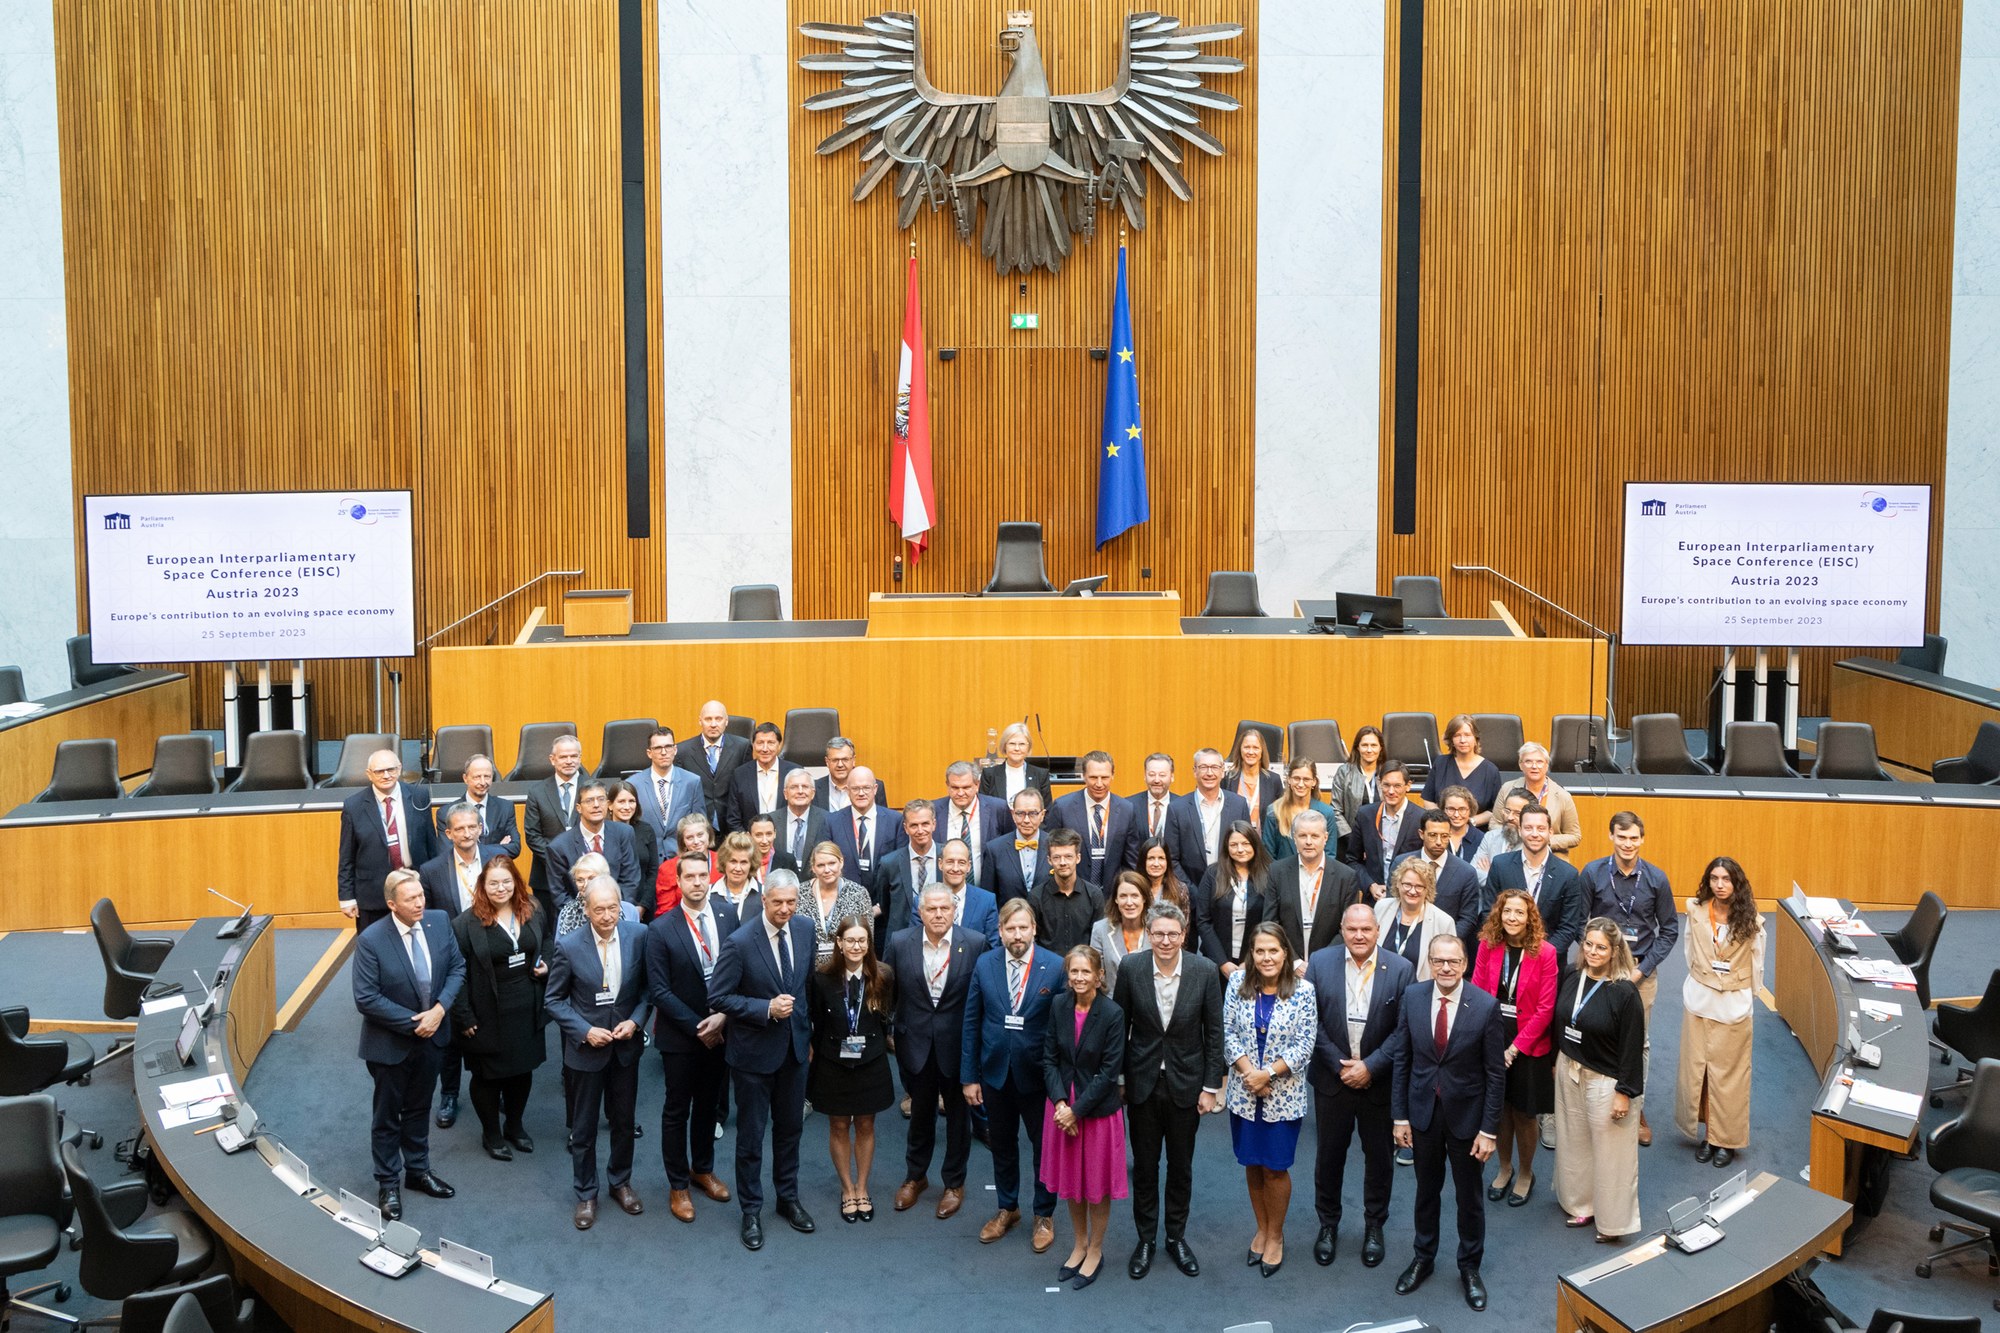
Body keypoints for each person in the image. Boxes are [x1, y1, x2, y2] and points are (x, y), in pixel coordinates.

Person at [1390, 933, 1505, 1312]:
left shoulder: (1486, 1006)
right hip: (1422, 1114)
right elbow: (1403, 1061)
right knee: (1425, 1191)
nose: (1445, 968)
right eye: (1438, 961)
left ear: (1465, 964)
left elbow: (1494, 1074)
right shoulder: (1413, 997)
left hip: (1468, 1121)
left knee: (1469, 1197)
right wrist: (1400, 1116)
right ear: (1429, 962)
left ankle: (1469, 1267)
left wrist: (1489, 1130)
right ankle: (1423, 1257)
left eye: (1453, 962)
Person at [1114, 900, 1225, 1280]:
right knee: (1144, 1168)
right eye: (1158, 933)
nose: (1165, 940)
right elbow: (1119, 1028)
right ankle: (1145, 1239)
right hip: (1141, 1085)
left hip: (1187, 1086)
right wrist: (1121, 1081)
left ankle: (1175, 1237)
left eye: (1172, 934)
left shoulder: (1205, 970)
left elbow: (1214, 1033)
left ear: (1184, 935)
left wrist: (1211, 1087)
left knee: (1180, 1167)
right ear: (1148, 933)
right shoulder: (1131, 968)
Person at [709, 870, 817, 1250]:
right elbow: (718, 997)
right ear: (764, 900)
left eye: (791, 902)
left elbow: (804, 988)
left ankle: (787, 1199)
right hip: (753, 1056)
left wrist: (807, 1034)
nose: (786, 909)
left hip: (794, 1052)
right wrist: (764, 1008)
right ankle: (751, 1210)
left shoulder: (805, 930)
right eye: (778, 903)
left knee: (790, 1131)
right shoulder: (740, 942)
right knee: (751, 1138)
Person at [1303, 903, 1414, 1270]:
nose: (1359, 936)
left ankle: (1373, 1226)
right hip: (1332, 1081)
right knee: (1329, 1158)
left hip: (1378, 1083)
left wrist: (1371, 1066)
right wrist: (1341, 1066)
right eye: (1352, 930)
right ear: (1342, 929)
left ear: (1377, 930)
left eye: (1366, 929)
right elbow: (1311, 1021)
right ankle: (1328, 1225)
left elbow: (1404, 1030)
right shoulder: (1319, 962)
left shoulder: (1400, 969)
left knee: (1379, 1160)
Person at [352, 868, 464, 1220]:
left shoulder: (439, 921)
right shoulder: (371, 939)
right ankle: (388, 1183)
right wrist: (418, 1023)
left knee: (419, 1109)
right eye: (411, 899)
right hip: (391, 1044)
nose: (420, 903)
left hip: (433, 1039)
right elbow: (366, 998)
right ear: (391, 904)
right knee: (388, 1116)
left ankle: (418, 1171)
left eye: (421, 896)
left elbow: (458, 969)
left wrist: (440, 1010)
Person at [545, 879, 652, 1230]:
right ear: (586, 910)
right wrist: (584, 1030)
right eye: (599, 909)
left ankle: (620, 1183)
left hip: (625, 1049)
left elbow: (647, 990)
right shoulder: (568, 946)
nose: (607, 916)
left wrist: (636, 1022)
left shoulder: (639, 937)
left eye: (613, 908)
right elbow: (554, 1000)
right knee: (584, 1128)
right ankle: (586, 1193)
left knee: (623, 1122)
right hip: (585, 1052)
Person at [962, 898, 1065, 1252]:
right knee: (1002, 1146)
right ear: (1000, 932)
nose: (1017, 935)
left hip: (1039, 1078)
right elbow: (972, 1021)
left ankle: (1043, 1214)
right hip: (994, 1074)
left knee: (1043, 1148)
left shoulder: (1055, 967)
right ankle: (1008, 1208)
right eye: (1010, 928)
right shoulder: (985, 964)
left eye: (1023, 927)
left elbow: (1063, 1029)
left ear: (1034, 929)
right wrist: (969, 1076)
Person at [642, 850, 738, 1222]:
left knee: (710, 1104)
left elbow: (738, 970)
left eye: (703, 875)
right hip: (682, 1037)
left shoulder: (728, 916)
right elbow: (659, 991)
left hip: (723, 1029)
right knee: (676, 1110)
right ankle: (678, 1184)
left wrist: (723, 1019)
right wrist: (703, 1026)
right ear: (678, 882)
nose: (697, 882)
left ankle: (703, 1169)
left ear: (711, 877)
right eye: (690, 877)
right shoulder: (661, 928)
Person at [886, 883, 989, 1219]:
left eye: (945, 908)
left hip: (958, 1047)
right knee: (920, 1114)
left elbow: (982, 1000)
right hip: (914, 1045)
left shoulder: (973, 943)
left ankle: (954, 1183)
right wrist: (891, 1029)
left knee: (959, 1119)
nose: (939, 914)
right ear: (920, 911)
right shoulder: (901, 942)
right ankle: (915, 1177)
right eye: (931, 909)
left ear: (954, 910)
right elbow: (887, 989)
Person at [1580, 810, 1678, 1146]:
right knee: (1600, 1034)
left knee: (1641, 1042)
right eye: (1621, 837)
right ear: (1611, 837)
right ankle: (1598, 1099)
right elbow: (1582, 921)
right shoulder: (1592, 873)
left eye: (1634, 838)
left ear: (1642, 839)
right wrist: (1595, 960)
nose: (1628, 844)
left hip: (1640, 971)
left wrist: (1642, 969)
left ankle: (1636, 1107)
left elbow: (1669, 930)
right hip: (1600, 970)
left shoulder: (1656, 879)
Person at [1225, 923, 1317, 1277]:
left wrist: (1269, 1075)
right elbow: (1228, 1031)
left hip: (1283, 1094)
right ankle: (1261, 1228)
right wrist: (1251, 1074)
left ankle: (1276, 1236)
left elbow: (1304, 1045)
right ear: (1252, 953)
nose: (1266, 958)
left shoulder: (1304, 991)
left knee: (1275, 1167)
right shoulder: (1237, 982)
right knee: (1252, 1162)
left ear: (1285, 953)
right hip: (1245, 1093)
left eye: (1273, 951)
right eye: (1260, 951)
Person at [448, 854, 548, 1161]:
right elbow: (457, 972)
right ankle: (491, 1133)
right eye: (493, 883)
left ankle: (515, 1126)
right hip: (485, 1011)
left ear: (516, 882)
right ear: (483, 886)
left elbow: (548, 945)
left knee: (522, 1072)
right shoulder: (464, 924)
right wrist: (464, 1016)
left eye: (506, 881)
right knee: (488, 1077)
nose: (501, 888)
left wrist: (548, 966)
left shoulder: (533, 909)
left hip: (527, 1007)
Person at [1553, 919, 1647, 1243]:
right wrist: (1559, 1059)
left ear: (1614, 951)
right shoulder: (1570, 975)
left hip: (1606, 1082)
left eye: (1601, 947)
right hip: (1569, 1070)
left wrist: (1625, 1092)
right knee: (1574, 1144)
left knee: (1612, 1155)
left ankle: (1613, 1223)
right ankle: (1582, 1204)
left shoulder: (1624, 992)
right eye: (1588, 945)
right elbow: (1560, 1019)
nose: (1593, 952)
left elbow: (1633, 1049)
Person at [1041, 943, 1128, 1291]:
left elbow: (1109, 1072)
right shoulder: (1059, 1005)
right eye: (1073, 971)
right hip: (1062, 1106)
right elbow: (1048, 1058)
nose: (1078, 977)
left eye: (1085, 972)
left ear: (1099, 975)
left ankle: (1095, 1249)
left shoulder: (1112, 1013)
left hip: (1095, 1112)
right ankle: (1078, 1244)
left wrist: (1076, 1111)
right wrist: (1061, 1103)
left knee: (1096, 1186)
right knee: (1072, 1184)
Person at [1674, 857, 1764, 1168]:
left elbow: (1757, 966)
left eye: (1726, 879)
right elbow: (1688, 951)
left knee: (1730, 1076)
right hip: (1700, 1000)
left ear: (1736, 883)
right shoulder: (1696, 910)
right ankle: (1708, 1133)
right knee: (1700, 1070)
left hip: (1733, 1006)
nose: (1720, 884)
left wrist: (1740, 991)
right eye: (1714, 878)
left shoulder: (1752, 921)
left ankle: (1725, 1140)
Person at [1469, 888, 1556, 1207]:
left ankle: (1526, 1172)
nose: (1512, 918)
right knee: (1499, 1110)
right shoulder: (1487, 946)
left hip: (1528, 1046)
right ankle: (1504, 1168)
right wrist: (1492, 1044)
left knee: (1524, 1113)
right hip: (1493, 1037)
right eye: (1507, 912)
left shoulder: (1545, 952)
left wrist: (1514, 1048)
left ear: (1529, 917)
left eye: (1519, 912)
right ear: (1499, 914)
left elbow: (1546, 1009)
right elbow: (1477, 993)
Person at [808, 915, 895, 1222]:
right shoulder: (822, 978)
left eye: (862, 940)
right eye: (850, 941)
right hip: (833, 1063)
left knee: (867, 1125)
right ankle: (847, 1189)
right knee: (839, 1126)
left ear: (869, 944)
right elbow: (815, 1021)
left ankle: (862, 1187)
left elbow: (886, 1019)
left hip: (871, 1062)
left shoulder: (883, 976)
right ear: (839, 943)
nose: (856, 946)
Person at [339, 750, 439, 933]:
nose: (386, 775)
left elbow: (431, 843)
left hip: (415, 888)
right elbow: (346, 856)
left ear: (399, 769)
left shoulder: (419, 796)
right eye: (379, 771)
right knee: (376, 950)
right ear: (369, 774)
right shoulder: (353, 806)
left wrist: (437, 885)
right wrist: (347, 897)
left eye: (391, 769)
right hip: (373, 894)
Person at [1484, 803, 1587, 969]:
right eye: (1528, 828)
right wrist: (1508, 950)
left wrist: (1539, 956)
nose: (1534, 834)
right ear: (1519, 831)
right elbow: (1488, 913)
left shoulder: (1568, 874)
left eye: (1540, 828)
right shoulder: (1500, 865)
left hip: (1548, 965)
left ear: (1550, 832)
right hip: (1505, 960)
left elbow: (1568, 927)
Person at [1268, 809, 1361, 964]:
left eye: (1315, 836)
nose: (1308, 842)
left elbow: (1347, 927)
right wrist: (1294, 962)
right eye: (1303, 835)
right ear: (1294, 838)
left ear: (1325, 838)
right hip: (1286, 965)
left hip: (1330, 964)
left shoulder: (1346, 876)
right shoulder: (1277, 871)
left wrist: (1321, 961)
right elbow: (1271, 923)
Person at [543, 780, 641, 916]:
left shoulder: (624, 833)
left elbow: (630, 880)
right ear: (578, 808)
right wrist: (589, 916)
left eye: (601, 799)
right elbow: (560, 895)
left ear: (607, 804)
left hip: (617, 914)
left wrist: (613, 911)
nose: (596, 805)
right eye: (589, 800)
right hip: (578, 920)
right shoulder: (559, 847)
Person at [1391, 808, 1484, 943]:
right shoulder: (1401, 863)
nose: (1439, 842)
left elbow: (1468, 918)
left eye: (1444, 836)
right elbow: (1393, 903)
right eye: (1433, 835)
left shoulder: (1466, 872)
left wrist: (1446, 943)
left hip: (1445, 947)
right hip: (1402, 940)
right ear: (1421, 834)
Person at [1049, 750, 1140, 886]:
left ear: (1112, 776)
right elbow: (1051, 851)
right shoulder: (1062, 807)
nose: (1099, 784)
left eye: (1104, 777)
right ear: (1083, 776)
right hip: (1072, 892)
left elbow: (1131, 860)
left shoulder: (1127, 809)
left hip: (1113, 895)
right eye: (1093, 777)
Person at [1196, 821, 1271, 979]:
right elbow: (1203, 920)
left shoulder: (1271, 873)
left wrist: (1250, 960)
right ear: (1226, 847)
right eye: (1234, 845)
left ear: (1255, 844)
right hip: (1217, 960)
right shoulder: (1213, 874)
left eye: (1246, 843)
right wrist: (1222, 962)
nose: (1240, 849)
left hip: (1258, 961)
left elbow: (1272, 920)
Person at [1166, 748, 1249, 882]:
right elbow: (1172, 858)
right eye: (1203, 767)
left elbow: (1246, 848)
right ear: (1194, 771)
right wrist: (1191, 891)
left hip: (1231, 885)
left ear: (1223, 771)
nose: (1209, 773)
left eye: (1214, 767)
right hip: (1191, 888)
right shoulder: (1177, 808)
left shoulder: (1239, 805)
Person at [523, 733, 585, 900]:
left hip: (587, 876)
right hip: (546, 878)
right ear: (553, 759)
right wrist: (557, 860)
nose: (569, 761)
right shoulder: (537, 792)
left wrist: (581, 863)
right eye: (563, 757)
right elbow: (532, 835)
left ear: (580, 758)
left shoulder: (593, 788)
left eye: (573, 756)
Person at [1376, 858, 1460, 982]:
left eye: (1419, 886)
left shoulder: (1443, 922)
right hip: (1380, 986)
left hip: (1418, 993)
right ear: (1398, 884)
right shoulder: (1381, 907)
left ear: (1428, 889)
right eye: (1407, 885)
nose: (1412, 891)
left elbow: (1449, 966)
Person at [933, 759, 1015, 886]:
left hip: (986, 892)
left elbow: (1009, 847)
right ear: (947, 785)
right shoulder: (934, 810)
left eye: (966, 787)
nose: (960, 793)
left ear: (977, 785)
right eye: (955, 788)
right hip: (943, 893)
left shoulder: (998, 808)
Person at [1346, 760, 1422, 894]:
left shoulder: (1420, 818)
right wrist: (1370, 885)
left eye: (1397, 786)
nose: (1391, 791)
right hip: (1374, 899)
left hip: (1409, 898)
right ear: (1379, 783)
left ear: (1408, 786)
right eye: (1386, 785)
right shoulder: (1366, 815)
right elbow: (1352, 860)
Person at [673, 700, 750, 831]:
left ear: (726, 721)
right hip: (698, 828)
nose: (713, 724)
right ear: (700, 721)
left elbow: (745, 789)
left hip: (732, 826)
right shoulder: (682, 751)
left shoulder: (743, 747)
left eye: (718, 719)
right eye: (708, 719)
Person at [875, 800, 941, 953]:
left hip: (941, 939)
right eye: (914, 825)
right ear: (905, 828)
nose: (920, 830)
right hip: (902, 942)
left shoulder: (947, 857)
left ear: (934, 824)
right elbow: (885, 904)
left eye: (925, 824)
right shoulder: (889, 863)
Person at [827, 766, 902, 899]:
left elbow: (900, 867)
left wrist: (880, 907)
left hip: (885, 905)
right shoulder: (832, 822)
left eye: (866, 788)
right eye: (855, 788)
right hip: (845, 903)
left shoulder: (895, 820)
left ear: (875, 789)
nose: (861, 793)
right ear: (847, 791)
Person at [419, 800, 503, 918]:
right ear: (449, 833)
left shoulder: (499, 858)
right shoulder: (431, 871)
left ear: (480, 828)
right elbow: (429, 916)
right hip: (453, 934)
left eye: (472, 827)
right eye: (460, 829)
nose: (467, 834)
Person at [911, 838, 1002, 946]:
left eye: (961, 862)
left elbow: (992, 947)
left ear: (969, 866)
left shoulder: (987, 901)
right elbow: (915, 944)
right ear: (940, 864)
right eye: (950, 862)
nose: (955, 868)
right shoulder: (922, 900)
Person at [1493, 743, 1582, 852]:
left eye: (1539, 762)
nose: (1534, 766)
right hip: (1510, 853)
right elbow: (1495, 823)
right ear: (1520, 765)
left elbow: (1574, 836)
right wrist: (1513, 838)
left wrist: (1543, 839)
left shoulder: (1563, 796)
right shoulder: (1507, 789)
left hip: (1551, 858)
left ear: (1546, 765)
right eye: (1528, 761)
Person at [798, 841, 873, 964]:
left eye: (832, 863)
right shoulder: (800, 893)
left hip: (847, 969)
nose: (827, 870)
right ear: (813, 868)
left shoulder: (858, 893)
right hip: (808, 969)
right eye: (821, 865)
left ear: (841, 862)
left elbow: (868, 938)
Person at [1032, 828, 1104, 954]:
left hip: (1084, 968)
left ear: (1078, 858)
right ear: (1049, 860)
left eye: (1068, 857)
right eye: (1057, 857)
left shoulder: (1094, 895)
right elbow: (1033, 940)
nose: (1063, 862)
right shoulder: (1036, 897)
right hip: (1048, 969)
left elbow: (1099, 941)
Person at [634, 728, 705, 852]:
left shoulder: (692, 782)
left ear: (675, 750)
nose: (663, 752)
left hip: (682, 858)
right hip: (648, 857)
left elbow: (700, 824)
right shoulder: (634, 784)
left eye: (668, 746)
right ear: (649, 753)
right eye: (657, 748)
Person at [437, 752, 520, 858]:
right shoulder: (446, 812)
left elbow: (515, 848)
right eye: (477, 777)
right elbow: (447, 853)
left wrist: (470, 849)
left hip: (495, 872)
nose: (482, 782)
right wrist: (497, 848)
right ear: (465, 778)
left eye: (487, 776)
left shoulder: (505, 807)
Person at [1421, 714, 1502, 820]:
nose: (1462, 740)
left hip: (1476, 831)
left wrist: (1469, 822)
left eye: (1467, 735)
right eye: (1457, 735)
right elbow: (1428, 800)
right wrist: (1443, 821)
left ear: (1475, 739)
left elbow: (1495, 810)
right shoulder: (1441, 763)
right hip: (1444, 830)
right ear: (1451, 740)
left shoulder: (1491, 770)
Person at [724, 721, 797, 836]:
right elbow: (733, 819)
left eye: (771, 743)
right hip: (750, 845)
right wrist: (748, 841)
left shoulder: (794, 772)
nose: (765, 748)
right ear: (753, 745)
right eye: (760, 743)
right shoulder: (739, 774)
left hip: (786, 842)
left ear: (779, 745)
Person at [1262, 756, 1338, 861]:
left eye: (1306, 779)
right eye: (1296, 778)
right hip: (1282, 876)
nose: (1301, 784)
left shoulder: (1327, 813)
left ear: (1314, 782)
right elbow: (1268, 856)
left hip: (1317, 876)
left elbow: (1329, 855)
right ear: (1289, 779)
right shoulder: (1274, 811)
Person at [990, 787, 1051, 906]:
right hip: (1009, 922)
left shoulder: (1055, 845)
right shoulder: (994, 849)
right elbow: (989, 897)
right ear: (1013, 814)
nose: (1026, 820)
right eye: (1020, 813)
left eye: (1033, 813)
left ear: (1042, 815)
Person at [606, 780, 661, 911]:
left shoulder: (646, 830)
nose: (627, 806)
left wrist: (643, 906)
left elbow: (653, 872)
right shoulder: (603, 832)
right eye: (621, 801)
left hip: (643, 906)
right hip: (610, 905)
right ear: (610, 805)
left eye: (631, 801)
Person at [1327, 725, 1386, 840]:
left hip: (1382, 839)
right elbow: (1335, 810)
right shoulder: (1344, 772)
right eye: (1364, 745)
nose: (1369, 750)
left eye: (1374, 745)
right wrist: (1352, 839)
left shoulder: (1388, 772)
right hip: (1350, 839)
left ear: (1381, 748)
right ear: (1357, 747)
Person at [1090, 871, 1153, 976]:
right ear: (1116, 899)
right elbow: (1096, 973)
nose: (1129, 902)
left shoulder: (1157, 929)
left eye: (1134, 896)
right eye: (1123, 896)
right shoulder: (1100, 929)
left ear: (1144, 898)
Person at [653, 812, 716, 916]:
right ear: (683, 842)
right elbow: (666, 912)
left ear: (709, 834)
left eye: (700, 835)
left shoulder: (723, 862)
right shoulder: (668, 868)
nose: (696, 841)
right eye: (690, 837)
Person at [771, 769, 831, 875]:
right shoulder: (771, 820)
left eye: (805, 787)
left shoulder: (827, 819)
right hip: (780, 886)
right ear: (785, 793)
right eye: (794, 787)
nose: (800, 791)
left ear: (813, 793)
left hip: (815, 885)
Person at [980, 721, 1053, 806]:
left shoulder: (1041, 775)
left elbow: (1047, 809)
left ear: (1028, 748)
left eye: (1022, 744)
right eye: (1012, 744)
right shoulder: (989, 774)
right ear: (1004, 746)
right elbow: (984, 808)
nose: (1017, 748)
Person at [1225, 728, 1284, 825]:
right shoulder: (1228, 779)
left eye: (1256, 748)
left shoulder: (1274, 780)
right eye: (1247, 747)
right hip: (1236, 837)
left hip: (1263, 838)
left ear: (1262, 751)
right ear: (1240, 750)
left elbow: (1280, 815)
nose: (1251, 752)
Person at [1471, 789, 1528, 885]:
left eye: (1517, 813)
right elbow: (1473, 874)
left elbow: (1524, 884)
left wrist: (1491, 874)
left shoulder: (1534, 844)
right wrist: (1503, 879)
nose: (1510, 817)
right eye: (1507, 811)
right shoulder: (1490, 837)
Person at [815, 736, 888, 812]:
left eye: (845, 759)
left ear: (853, 760)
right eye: (835, 760)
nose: (840, 765)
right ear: (827, 762)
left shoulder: (874, 786)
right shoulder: (814, 787)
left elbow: (883, 819)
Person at [1126, 752, 1180, 850]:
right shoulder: (1129, 806)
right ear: (1145, 776)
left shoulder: (1181, 806)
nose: (1156, 780)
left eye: (1162, 775)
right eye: (1151, 774)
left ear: (1172, 777)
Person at [1134, 835, 1194, 919]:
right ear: (1143, 861)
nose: (1156, 864)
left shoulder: (1180, 889)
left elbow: (1184, 926)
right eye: (1151, 858)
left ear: (1167, 862)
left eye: (1161, 858)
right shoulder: (1134, 888)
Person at [1438, 785, 1482, 865]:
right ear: (1443, 809)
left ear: (1470, 810)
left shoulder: (1482, 839)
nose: (1456, 815)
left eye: (1462, 809)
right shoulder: (1435, 837)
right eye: (1451, 809)